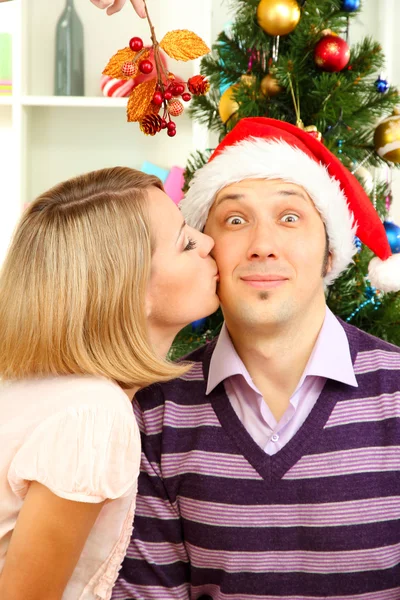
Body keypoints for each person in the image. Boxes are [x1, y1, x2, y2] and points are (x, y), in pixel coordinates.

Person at [114, 118, 400, 599]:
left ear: (331, 252)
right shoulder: (154, 414)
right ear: (207, 253)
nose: (263, 246)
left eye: (290, 218)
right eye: (235, 220)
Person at [0, 166, 219, 600]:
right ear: (131, 289)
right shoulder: (93, 416)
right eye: (186, 242)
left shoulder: (31, 385)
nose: (209, 241)